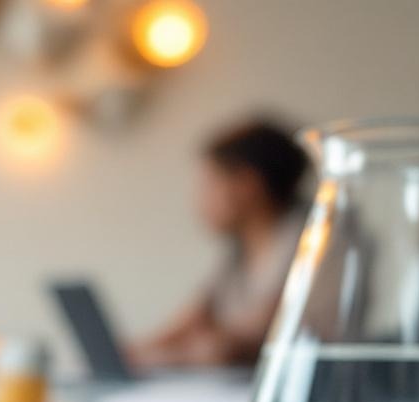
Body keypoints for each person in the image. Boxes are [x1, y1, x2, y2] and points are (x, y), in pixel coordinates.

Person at [129, 119, 309, 369]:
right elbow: (194, 319)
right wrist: (135, 352)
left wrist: (168, 356)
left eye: (209, 185)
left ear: (247, 184)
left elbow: (243, 341)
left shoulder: (314, 241)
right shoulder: (237, 252)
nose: (199, 200)